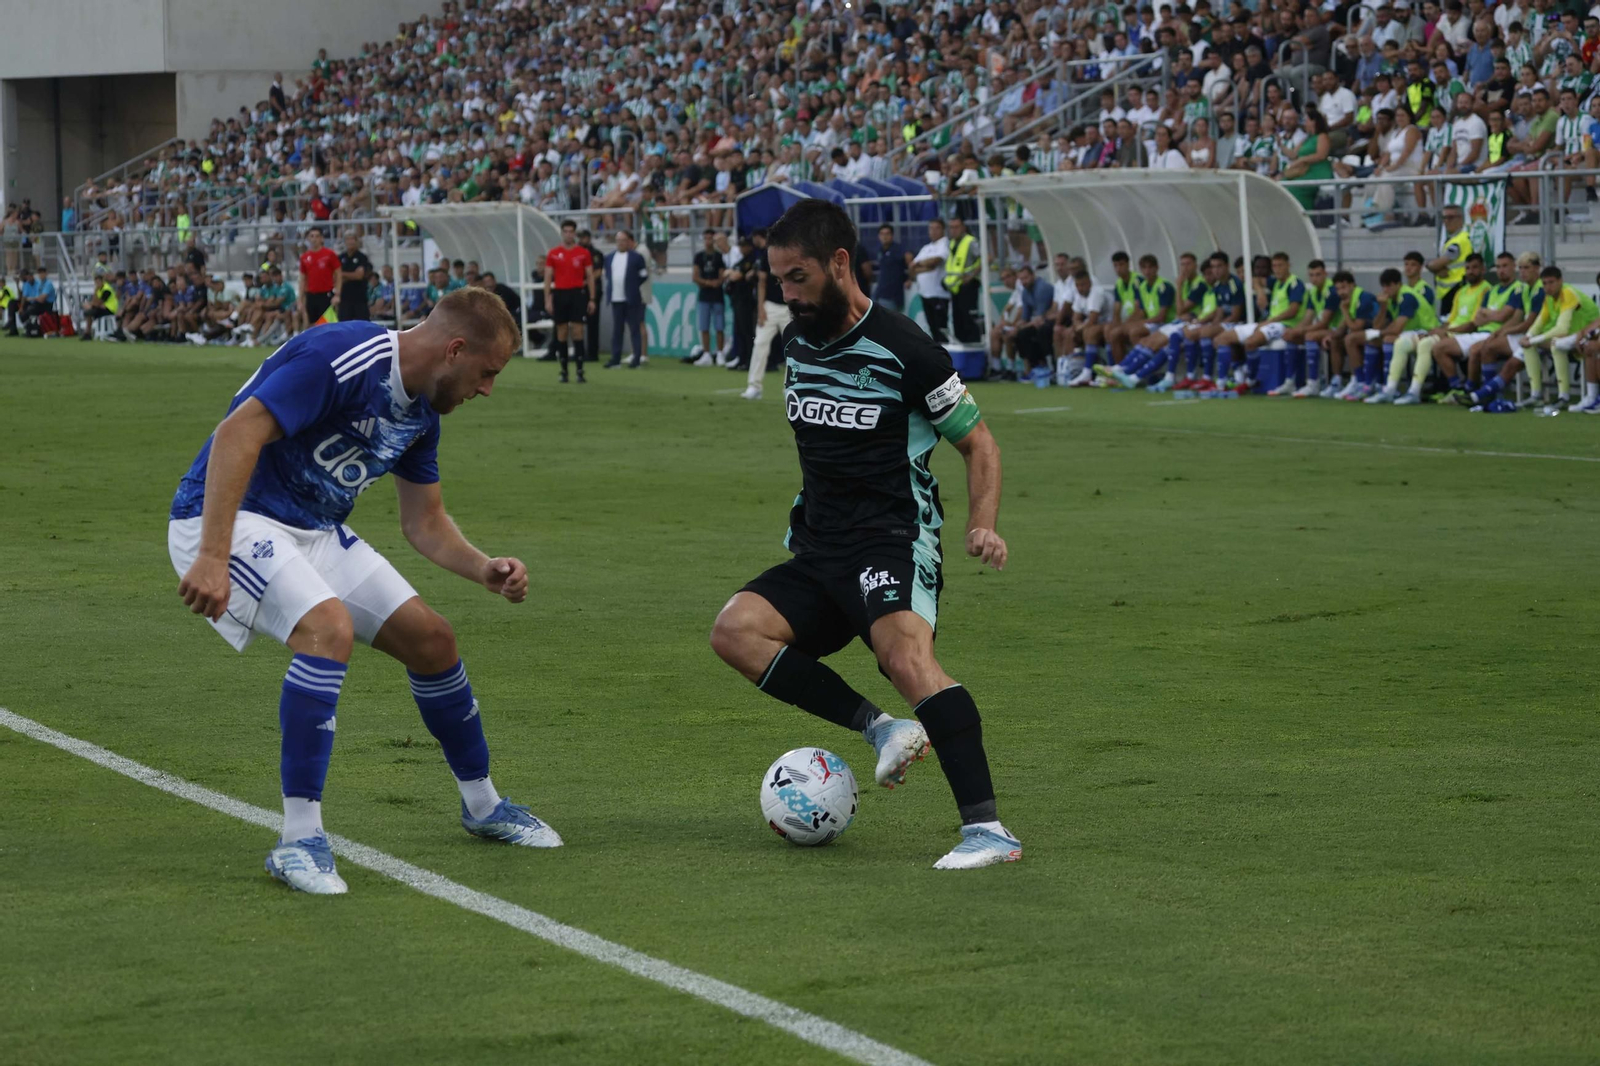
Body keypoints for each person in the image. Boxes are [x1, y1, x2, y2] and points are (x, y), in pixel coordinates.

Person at [167, 289, 559, 896]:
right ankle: (299, 840)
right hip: (225, 517)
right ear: (455, 350)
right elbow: (235, 434)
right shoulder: (344, 356)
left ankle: (482, 805)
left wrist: (482, 567)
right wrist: (213, 555)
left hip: (313, 531)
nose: (487, 390)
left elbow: (423, 522)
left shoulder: (421, 411)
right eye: (488, 373)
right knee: (329, 630)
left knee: (433, 640)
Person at [708, 200, 1020, 870]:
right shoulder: (798, 342)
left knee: (909, 661)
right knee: (735, 631)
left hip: (891, 541)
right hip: (819, 546)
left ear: (839, 263)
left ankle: (989, 831)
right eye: (779, 280)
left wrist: (982, 525)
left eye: (797, 278)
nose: (786, 294)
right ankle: (883, 729)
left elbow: (980, 444)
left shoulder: (907, 350)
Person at [1462, 264, 1599, 410]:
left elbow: (1562, 327)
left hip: (1580, 334)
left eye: (1551, 282)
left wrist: (1531, 339)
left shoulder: (1568, 293)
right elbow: (1539, 322)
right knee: (1526, 347)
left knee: (1556, 345)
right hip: (1568, 335)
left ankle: (1564, 397)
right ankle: (1535, 395)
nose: (1547, 287)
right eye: (1545, 283)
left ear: (1560, 281)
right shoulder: (1545, 296)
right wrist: (1528, 337)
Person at [543, 219, 596, 383]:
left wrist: (592, 298)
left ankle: (580, 370)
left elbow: (590, 276)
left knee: (578, 331)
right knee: (562, 332)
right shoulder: (553, 253)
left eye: (571, 231)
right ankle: (564, 371)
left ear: (574, 233)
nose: (568, 234)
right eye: (565, 231)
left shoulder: (583, 253)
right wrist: (548, 299)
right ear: (562, 233)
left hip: (577, 294)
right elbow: (547, 277)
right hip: (560, 294)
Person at [742, 228, 790, 401]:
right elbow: (762, 282)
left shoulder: (791, 254)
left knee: (795, 349)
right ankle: (754, 386)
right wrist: (761, 308)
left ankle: (791, 388)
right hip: (770, 306)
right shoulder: (766, 255)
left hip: (790, 307)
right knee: (760, 344)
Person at [602, 230, 650, 370]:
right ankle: (615, 358)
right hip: (616, 299)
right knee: (617, 330)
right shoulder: (610, 257)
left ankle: (636, 359)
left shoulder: (636, 257)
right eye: (618, 240)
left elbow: (643, 275)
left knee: (634, 329)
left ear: (629, 241)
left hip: (631, 299)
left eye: (623, 240)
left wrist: (632, 286)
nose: (620, 243)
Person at [943, 215, 982, 344]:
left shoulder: (971, 241)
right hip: (955, 286)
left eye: (956, 227)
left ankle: (973, 347)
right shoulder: (952, 243)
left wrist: (971, 276)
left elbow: (986, 258)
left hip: (968, 285)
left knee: (968, 319)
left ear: (963, 228)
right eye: (951, 227)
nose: (953, 230)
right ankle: (962, 346)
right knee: (957, 320)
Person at [911, 219, 951, 343]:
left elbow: (935, 261)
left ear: (943, 229)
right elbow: (911, 268)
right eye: (931, 228)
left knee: (941, 328)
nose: (933, 231)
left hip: (938, 293)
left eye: (937, 228)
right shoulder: (926, 247)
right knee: (932, 328)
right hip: (925, 293)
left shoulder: (945, 244)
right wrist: (925, 266)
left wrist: (919, 264)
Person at [691, 229, 728, 365]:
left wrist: (715, 283)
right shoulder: (699, 256)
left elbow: (722, 275)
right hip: (704, 296)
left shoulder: (719, 256)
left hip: (717, 295)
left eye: (710, 238)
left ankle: (719, 353)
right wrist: (708, 283)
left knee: (719, 326)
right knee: (704, 326)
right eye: (705, 238)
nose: (708, 241)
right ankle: (706, 354)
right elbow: (695, 276)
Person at [725, 233, 759, 372]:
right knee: (740, 331)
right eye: (741, 246)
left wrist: (731, 273)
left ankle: (749, 360)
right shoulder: (741, 260)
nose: (742, 248)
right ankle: (742, 358)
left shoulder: (751, 260)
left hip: (746, 301)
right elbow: (728, 274)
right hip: (737, 300)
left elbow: (736, 275)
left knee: (747, 332)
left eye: (744, 246)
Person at [298, 227, 341, 328]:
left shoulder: (329, 254)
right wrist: (300, 299)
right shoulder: (304, 257)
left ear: (322, 239)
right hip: (311, 295)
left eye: (317, 236)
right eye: (311, 236)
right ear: (308, 239)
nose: (314, 239)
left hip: (326, 294)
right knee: (310, 324)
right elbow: (302, 278)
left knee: (328, 325)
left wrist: (337, 294)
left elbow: (338, 274)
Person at [872, 225, 913, 313]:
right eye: (882, 234)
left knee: (889, 323)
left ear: (892, 235)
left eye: (887, 233)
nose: (885, 236)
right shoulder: (880, 250)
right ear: (879, 236)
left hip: (892, 294)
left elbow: (910, 259)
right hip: (879, 292)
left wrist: (910, 278)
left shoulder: (898, 249)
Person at [338, 232, 373, 322]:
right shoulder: (340, 258)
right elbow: (336, 277)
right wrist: (351, 274)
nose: (350, 242)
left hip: (359, 299)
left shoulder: (362, 257)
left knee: (363, 328)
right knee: (344, 327)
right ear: (345, 242)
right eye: (348, 239)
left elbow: (359, 276)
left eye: (353, 239)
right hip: (344, 300)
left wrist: (342, 274)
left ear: (357, 241)